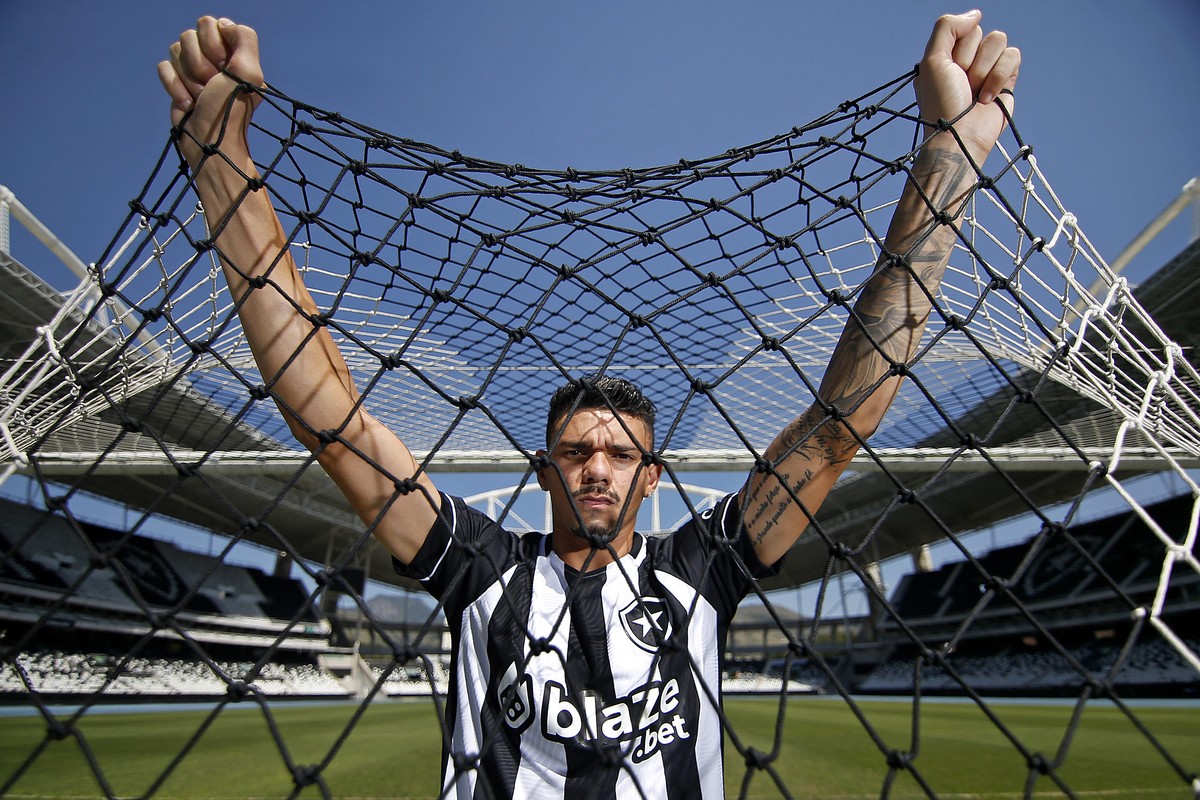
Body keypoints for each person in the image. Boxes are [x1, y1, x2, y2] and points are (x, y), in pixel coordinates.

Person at [159, 11, 1019, 798]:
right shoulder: (481, 567)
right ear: (543, 471)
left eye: (619, 456)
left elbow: (838, 425)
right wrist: (221, 159)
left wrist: (951, 151)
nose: (597, 470)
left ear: (652, 478)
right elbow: (333, 424)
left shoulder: (699, 571)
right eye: (575, 453)